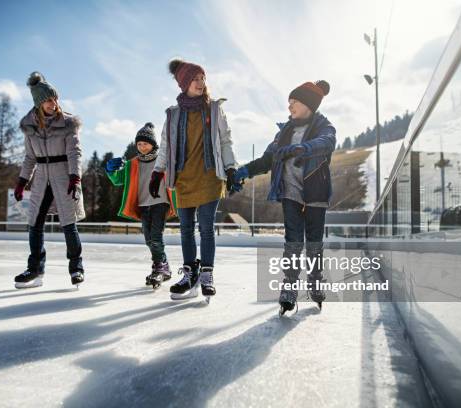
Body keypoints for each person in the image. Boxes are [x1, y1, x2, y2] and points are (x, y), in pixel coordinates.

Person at [232, 80, 336, 312]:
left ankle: (315, 282)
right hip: (290, 194)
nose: (289, 107)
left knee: (314, 244)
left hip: (315, 195)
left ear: (308, 104)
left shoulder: (323, 126)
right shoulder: (283, 134)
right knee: (292, 243)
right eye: (289, 102)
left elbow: (327, 142)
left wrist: (303, 149)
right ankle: (289, 288)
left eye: (294, 102)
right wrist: (244, 172)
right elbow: (266, 160)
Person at [150, 59, 239, 301]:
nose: (201, 83)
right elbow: (166, 146)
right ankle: (190, 273)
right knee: (186, 229)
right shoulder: (173, 115)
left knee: (206, 228)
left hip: (210, 176)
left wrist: (231, 168)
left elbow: (225, 140)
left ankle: (207, 274)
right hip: (183, 178)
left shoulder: (214, 109)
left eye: (203, 78)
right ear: (184, 84)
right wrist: (158, 172)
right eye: (195, 79)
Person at [13, 72, 85, 289]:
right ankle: (35, 269)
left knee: (68, 224)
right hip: (42, 178)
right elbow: (29, 157)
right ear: (38, 103)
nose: (53, 104)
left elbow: (75, 153)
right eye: (48, 100)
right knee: (34, 224)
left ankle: (76, 268)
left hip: (64, 176)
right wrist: (21, 181)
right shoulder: (30, 127)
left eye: (55, 99)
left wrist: (75, 177)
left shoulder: (68, 124)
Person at [105, 122, 178, 288]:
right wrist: (110, 170)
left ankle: (159, 267)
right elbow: (117, 180)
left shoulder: (163, 160)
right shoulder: (132, 164)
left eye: (145, 143)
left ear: (153, 144)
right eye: (139, 144)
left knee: (156, 236)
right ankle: (163, 265)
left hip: (161, 202)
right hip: (144, 204)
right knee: (148, 239)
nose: (142, 147)